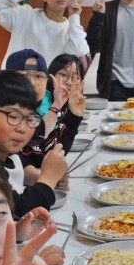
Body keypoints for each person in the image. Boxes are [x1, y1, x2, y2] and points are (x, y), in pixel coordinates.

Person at [0, 70, 67, 217]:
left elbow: (20, 164)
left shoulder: (2, 148)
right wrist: (48, 179)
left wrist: (47, 176)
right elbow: (16, 211)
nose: (22, 128)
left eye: (30, 119)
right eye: (13, 116)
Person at [6, 50, 84, 190]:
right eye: (23, 75)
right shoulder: (3, 113)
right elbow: (12, 158)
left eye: (39, 76)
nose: (32, 82)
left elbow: (43, 150)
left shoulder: (32, 117)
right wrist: (46, 178)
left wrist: (73, 115)